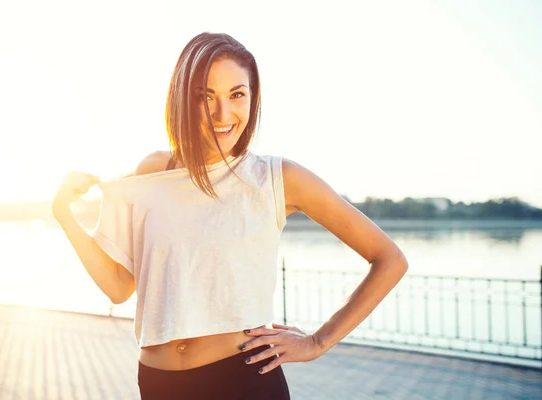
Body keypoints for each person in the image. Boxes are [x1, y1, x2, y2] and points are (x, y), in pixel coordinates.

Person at [52, 32, 408, 399]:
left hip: (243, 382)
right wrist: (63, 213)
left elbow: (389, 259)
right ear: (181, 100)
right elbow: (118, 286)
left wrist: (318, 342)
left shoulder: (275, 178)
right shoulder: (154, 170)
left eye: (237, 95)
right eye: (205, 97)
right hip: (159, 383)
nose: (223, 114)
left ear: (253, 98)